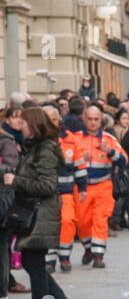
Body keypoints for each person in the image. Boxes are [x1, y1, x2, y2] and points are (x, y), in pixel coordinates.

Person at [8, 108, 73, 299]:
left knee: (33, 261)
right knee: (32, 261)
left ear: (34, 125)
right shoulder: (35, 147)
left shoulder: (44, 149)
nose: (21, 126)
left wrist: (15, 181)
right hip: (36, 212)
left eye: (24, 122)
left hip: (41, 213)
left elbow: (47, 186)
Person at [70, 105, 127, 267]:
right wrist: (81, 158)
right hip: (81, 187)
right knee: (81, 221)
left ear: (101, 119)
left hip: (103, 185)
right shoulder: (75, 138)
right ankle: (89, 248)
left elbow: (124, 160)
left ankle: (98, 256)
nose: (93, 123)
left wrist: (110, 152)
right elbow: (64, 161)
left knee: (100, 219)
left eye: (96, 119)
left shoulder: (109, 139)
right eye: (90, 119)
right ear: (83, 118)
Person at [41, 104, 87, 272]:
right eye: (47, 119)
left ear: (58, 120)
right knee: (48, 226)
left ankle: (65, 256)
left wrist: (82, 188)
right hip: (43, 193)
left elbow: (79, 165)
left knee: (67, 222)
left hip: (65, 190)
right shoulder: (37, 139)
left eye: (53, 119)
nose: (50, 122)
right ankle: (49, 260)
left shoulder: (68, 139)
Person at [0, 106, 28, 298]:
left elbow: (11, 168)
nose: (19, 121)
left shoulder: (6, 140)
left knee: (3, 242)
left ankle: (3, 286)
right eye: (15, 117)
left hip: (4, 195)